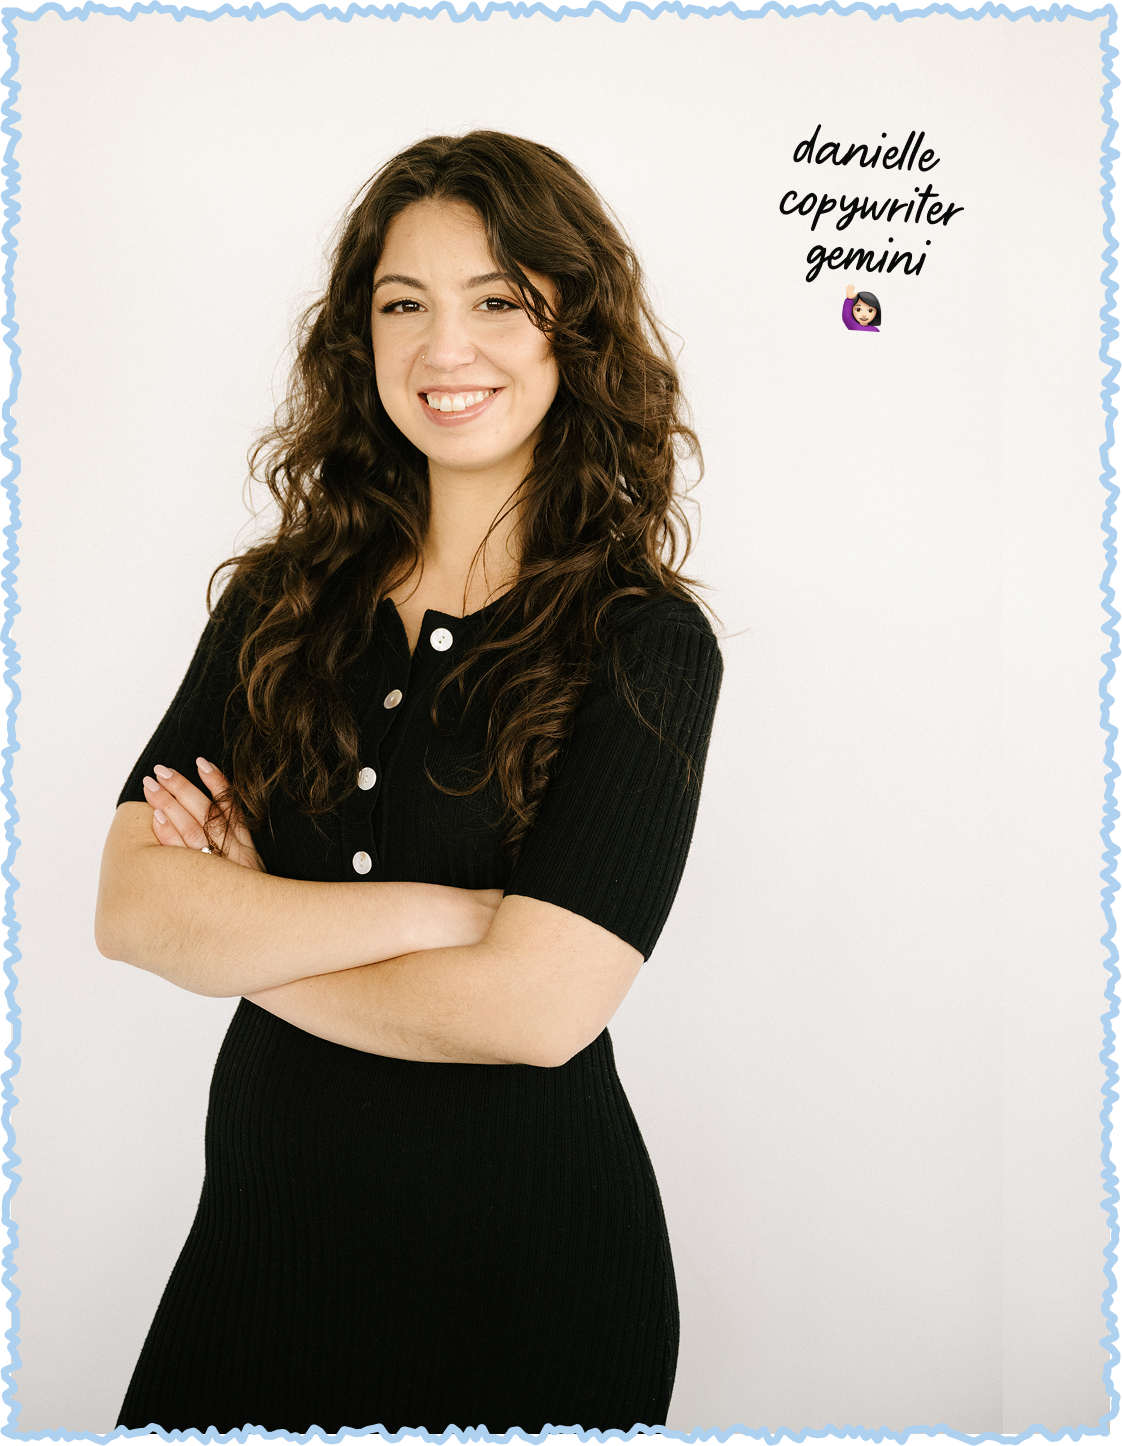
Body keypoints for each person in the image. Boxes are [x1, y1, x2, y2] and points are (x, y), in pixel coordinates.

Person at [95, 130, 723, 1433]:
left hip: (526, 1285)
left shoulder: (641, 642)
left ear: (575, 327)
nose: (447, 349)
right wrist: (440, 913)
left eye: (497, 301)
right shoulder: (282, 601)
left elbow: (538, 1011)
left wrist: (247, 925)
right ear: (358, 338)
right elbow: (133, 909)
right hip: (259, 1256)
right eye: (403, 304)